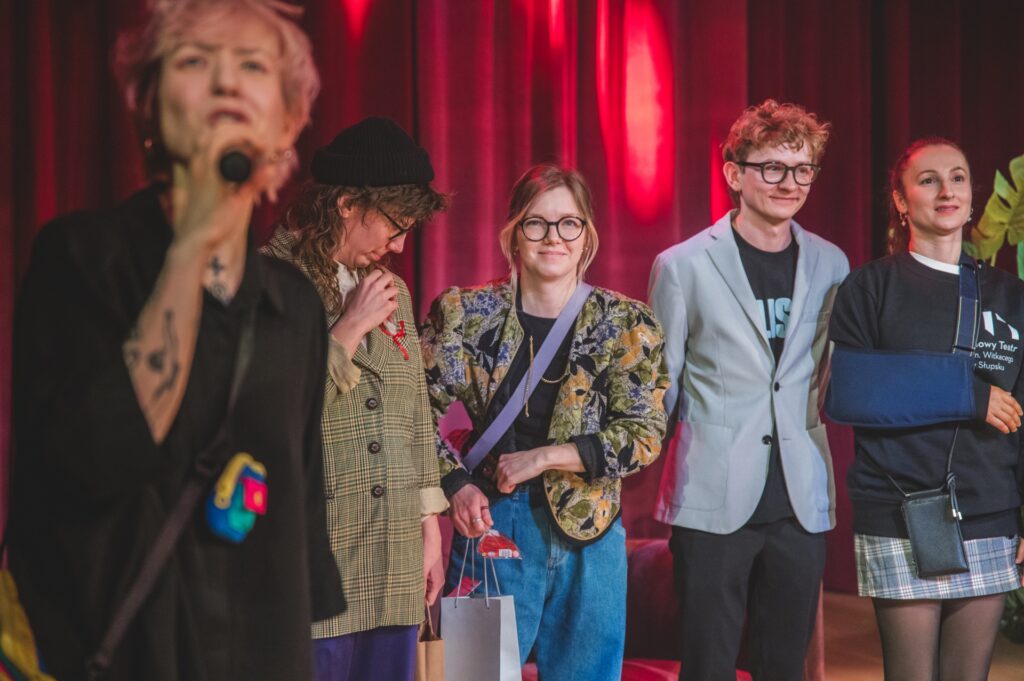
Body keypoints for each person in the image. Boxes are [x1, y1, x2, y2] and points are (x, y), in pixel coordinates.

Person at [6, 2, 344, 680]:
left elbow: (299, 528)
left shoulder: (295, 305)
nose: (226, 81)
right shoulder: (81, 259)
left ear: (287, 123)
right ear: (147, 110)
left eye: (252, 66)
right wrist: (196, 236)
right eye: (194, 61)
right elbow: (92, 460)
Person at [421, 163, 669, 681]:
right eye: (536, 223)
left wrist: (545, 457)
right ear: (513, 234)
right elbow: (414, 415)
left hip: (591, 532)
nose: (553, 237)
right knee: (477, 676)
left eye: (568, 223)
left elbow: (644, 434)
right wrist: (455, 485)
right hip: (491, 524)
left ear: (587, 236)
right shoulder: (466, 314)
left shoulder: (624, 323)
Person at [648, 99, 849, 681]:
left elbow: (827, 374)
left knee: (783, 665)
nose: (790, 182)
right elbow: (661, 384)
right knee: (708, 664)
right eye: (773, 167)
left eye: (803, 169)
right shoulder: (682, 265)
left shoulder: (832, 264)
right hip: (712, 492)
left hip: (799, 496)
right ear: (734, 174)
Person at [827, 137, 1024, 681]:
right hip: (898, 510)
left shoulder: (1010, 295)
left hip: (990, 511)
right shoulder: (870, 287)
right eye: (928, 180)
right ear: (900, 199)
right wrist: (970, 395)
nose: (946, 191)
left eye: (957, 178)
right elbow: (852, 392)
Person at [262, 116, 450, 681]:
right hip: (316, 552)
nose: (400, 245)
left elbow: (415, 414)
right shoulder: (270, 279)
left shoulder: (395, 290)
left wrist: (428, 530)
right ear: (346, 204)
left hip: (394, 556)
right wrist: (346, 329)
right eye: (394, 225)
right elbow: (266, 412)